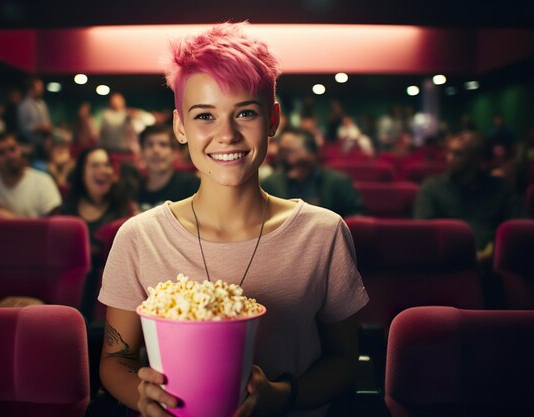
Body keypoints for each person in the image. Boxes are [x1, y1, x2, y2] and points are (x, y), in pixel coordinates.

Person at [97, 23, 368, 417]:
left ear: (273, 119)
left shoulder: (323, 233)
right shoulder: (139, 237)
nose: (226, 134)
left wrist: (280, 394)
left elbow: (345, 360)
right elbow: (115, 357)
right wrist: (140, 394)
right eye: (205, 115)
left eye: (245, 112)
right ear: (180, 127)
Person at [414, 130, 526, 264]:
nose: (449, 158)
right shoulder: (432, 187)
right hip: (443, 265)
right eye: (449, 152)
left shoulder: (501, 189)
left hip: (492, 266)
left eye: (457, 154)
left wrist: (496, 250)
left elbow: (522, 229)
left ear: (477, 159)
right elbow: (423, 234)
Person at [262, 127, 365, 217]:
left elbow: (356, 220)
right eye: (281, 152)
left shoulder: (338, 182)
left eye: (289, 151)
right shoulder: (269, 184)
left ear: (312, 153)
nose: (283, 158)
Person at [60, 147, 136, 262]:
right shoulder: (65, 211)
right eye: (95, 165)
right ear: (82, 172)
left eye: (107, 165)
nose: (103, 171)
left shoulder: (125, 209)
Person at [0, 133, 62, 217]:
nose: (10, 156)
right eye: (1, 153)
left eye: (12, 149)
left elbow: (55, 223)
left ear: (20, 150)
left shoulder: (43, 181)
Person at [137, 124, 200, 211]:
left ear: (174, 152)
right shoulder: (134, 190)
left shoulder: (192, 185)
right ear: (141, 152)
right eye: (150, 145)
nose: (156, 150)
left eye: (163, 145)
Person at [18, 77, 52, 156]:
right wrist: (41, 127)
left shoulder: (42, 104)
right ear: (31, 89)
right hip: (30, 144)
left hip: (43, 143)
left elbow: (47, 122)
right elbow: (24, 128)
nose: (42, 89)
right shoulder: (24, 105)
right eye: (39, 87)